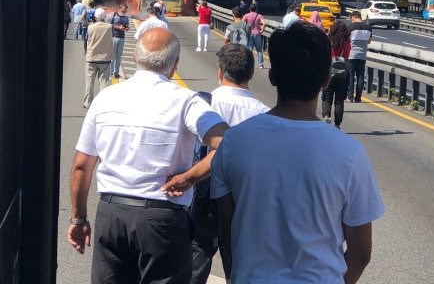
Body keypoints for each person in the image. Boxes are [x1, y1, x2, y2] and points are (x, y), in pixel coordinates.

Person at [211, 21, 384, 284]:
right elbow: (360, 254)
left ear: (272, 77)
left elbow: (227, 233)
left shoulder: (233, 142)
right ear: (327, 79)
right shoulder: (350, 153)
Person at [68, 28, 227, 284]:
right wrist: (189, 177)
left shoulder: (106, 97)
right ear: (175, 64)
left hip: (112, 213)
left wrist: (78, 217)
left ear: (135, 59)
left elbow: (81, 166)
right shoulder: (187, 101)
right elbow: (227, 144)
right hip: (162, 217)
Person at [191, 45, 269, 284]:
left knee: (196, 259)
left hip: (204, 194)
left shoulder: (202, 104)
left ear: (219, 72)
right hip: (245, 200)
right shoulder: (265, 114)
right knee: (239, 267)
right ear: (251, 74)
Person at [322, 21, 351, 129]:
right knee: (339, 100)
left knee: (327, 96)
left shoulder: (329, 40)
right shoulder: (347, 43)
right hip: (343, 74)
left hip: (329, 71)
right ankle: (337, 123)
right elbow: (347, 57)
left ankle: (326, 116)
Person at [83, 8, 112, 109]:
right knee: (104, 81)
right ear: (104, 17)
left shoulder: (91, 27)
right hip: (105, 58)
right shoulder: (109, 27)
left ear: (95, 16)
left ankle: (87, 103)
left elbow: (86, 38)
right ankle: (103, 103)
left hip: (91, 57)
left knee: (89, 81)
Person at [347, 11, 372, 103]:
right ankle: (358, 98)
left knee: (350, 75)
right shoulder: (368, 28)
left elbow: (347, 40)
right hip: (362, 55)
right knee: (360, 76)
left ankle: (350, 97)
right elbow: (369, 41)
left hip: (351, 55)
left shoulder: (350, 27)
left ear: (353, 18)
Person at [108, 4, 130, 78]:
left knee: (118, 56)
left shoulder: (126, 17)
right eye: (124, 9)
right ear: (120, 8)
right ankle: (110, 73)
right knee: (112, 56)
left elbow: (126, 26)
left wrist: (127, 28)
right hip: (114, 37)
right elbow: (109, 25)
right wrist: (118, 27)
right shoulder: (113, 15)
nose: (125, 11)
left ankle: (116, 73)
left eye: (126, 10)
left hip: (122, 38)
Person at [242, 3, 266, 68]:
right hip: (257, 34)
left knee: (250, 50)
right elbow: (264, 23)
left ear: (249, 9)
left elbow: (242, 23)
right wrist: (262, 31)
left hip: (249, 34)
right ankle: (261, 64)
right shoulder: (259, 16)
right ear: (256, 9)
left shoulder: (246, 15)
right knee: (259, 50)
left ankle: (250, 64)